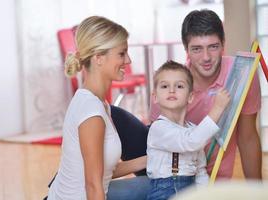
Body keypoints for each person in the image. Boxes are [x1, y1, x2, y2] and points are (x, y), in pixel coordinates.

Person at [150, 9, 262, 179]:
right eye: (196, 49)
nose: (206, 57)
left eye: (213, 47)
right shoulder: (169, 88)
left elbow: (247, 138)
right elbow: (158, 148)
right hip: (174, 179)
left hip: (216, 180)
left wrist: (257, 193)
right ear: (186, 49)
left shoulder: (242, 73)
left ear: (223, 43)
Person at [47, 16, 147, 200]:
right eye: (122, 53)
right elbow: (93, 186)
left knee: (158, 185)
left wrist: (152, 159)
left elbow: (104, 171)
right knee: (163, 189)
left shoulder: (98, 102)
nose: (128, 60)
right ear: (99, 58)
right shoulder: (91, 112)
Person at [146, 60, 230, 200]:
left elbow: (200, 170)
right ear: (155, 97)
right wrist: (217, 108)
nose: (171, 90)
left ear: (190, 97)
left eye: (179, 86)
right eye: (165, 86)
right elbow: (191, 142)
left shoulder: (194, 130)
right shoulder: (159, 128)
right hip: (164, 192)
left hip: (190, 190)